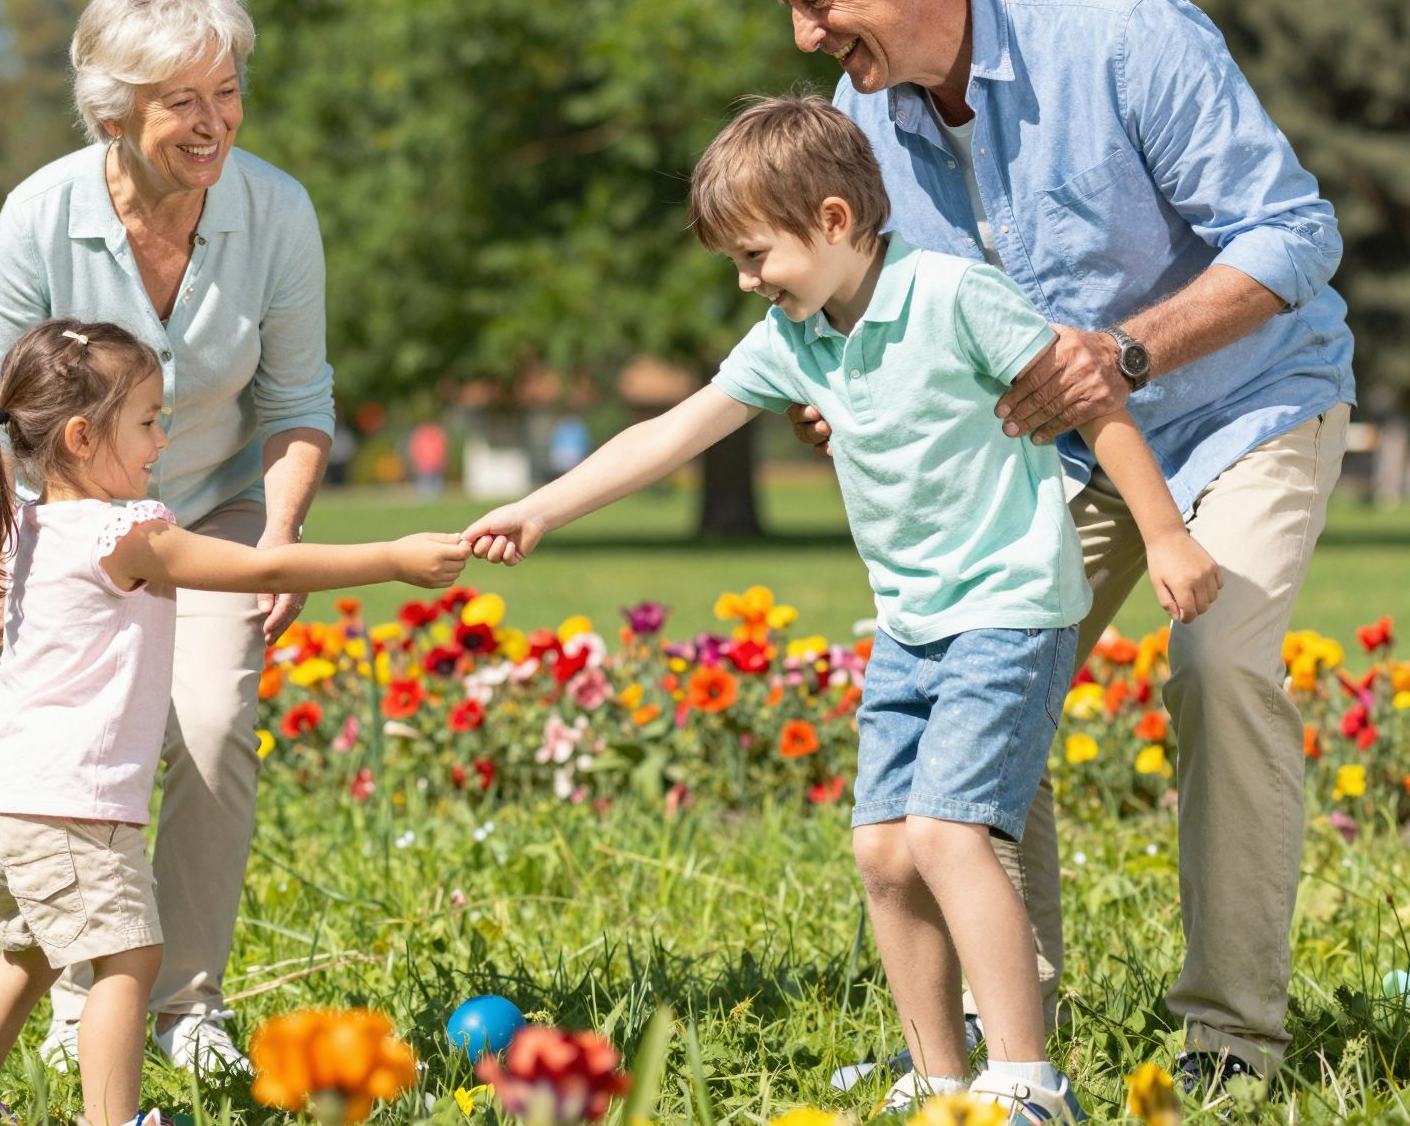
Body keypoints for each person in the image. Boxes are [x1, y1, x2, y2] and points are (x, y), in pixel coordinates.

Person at [464, 97, 1220, 1122]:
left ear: (830, 221)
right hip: (910, 624)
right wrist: (538, 511)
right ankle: (941, 1075)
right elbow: (670, 432)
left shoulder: (955, 295)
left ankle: (1026, 1082)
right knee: (880, 850)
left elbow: (1094, 405)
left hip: (1007, 608)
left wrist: (1165, 535)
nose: (744, 282)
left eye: (752, 256)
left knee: (948, 833)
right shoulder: (796, 336)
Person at [745, 0, 1354, 1096]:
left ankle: (1230, 1042)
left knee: (1219, 663)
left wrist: (1124, 353)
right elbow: (885, 310)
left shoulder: (1120, 30)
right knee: (987, 658)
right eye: (791, 9)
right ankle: (1002, 1044)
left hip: (1245, 401)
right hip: (1046, 444)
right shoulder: (864, 119)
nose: (806, 37)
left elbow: (1294, 234)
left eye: (817, 1)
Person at [0, 0, 336, 1073]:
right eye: (183, 103)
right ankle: (85, 994)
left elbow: (298, 406)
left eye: (228, 90)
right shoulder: (40, 216)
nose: (214, 122)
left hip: (213, 509)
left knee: (211, 732)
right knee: (80, 751)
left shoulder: (276, 213)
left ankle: (185, 1006)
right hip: (66, 524)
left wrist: (279, 544)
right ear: (115, 112)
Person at [0, 319, 465, 1125]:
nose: (163, 436)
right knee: (130, 958)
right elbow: (259, 566)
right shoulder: (125, 535)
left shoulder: (30, 525)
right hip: (70, 800)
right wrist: (391, 560)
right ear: (82, 437)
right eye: (148, 420)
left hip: (4, 792)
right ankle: (111, 1122)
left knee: (30, 953)